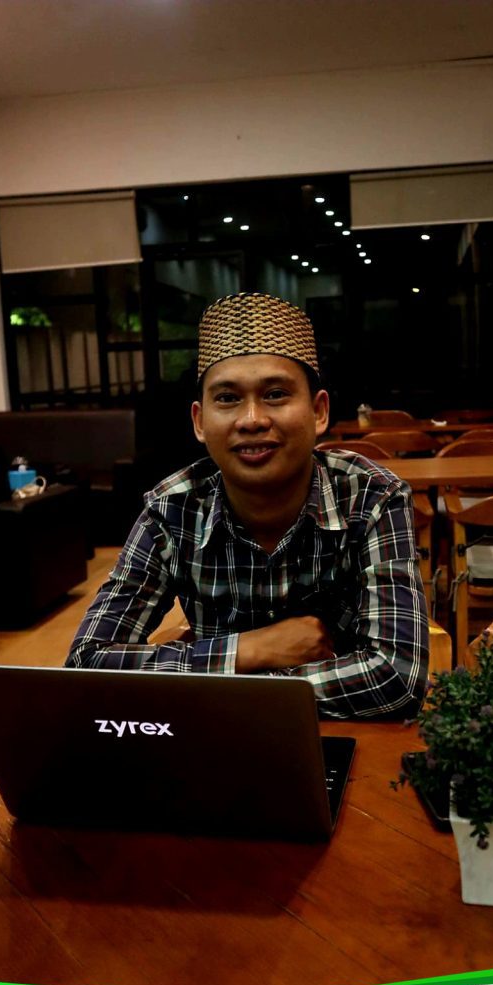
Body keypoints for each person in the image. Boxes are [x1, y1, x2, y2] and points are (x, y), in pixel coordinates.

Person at [66, 292, 428, 718]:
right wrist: (249, 649)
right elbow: (87, 664)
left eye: (275, 394)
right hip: (217, 740)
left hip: (346, 739)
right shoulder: (172, 510)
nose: (252, 419)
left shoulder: (372, 497)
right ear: (200, 421)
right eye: (227, 398)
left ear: (318, 411)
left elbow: (397, 676)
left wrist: (220, 683)